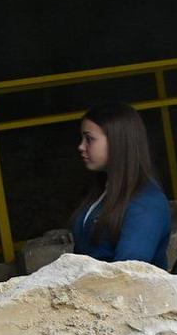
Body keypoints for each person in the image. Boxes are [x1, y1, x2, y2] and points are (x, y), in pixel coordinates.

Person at [71, 102, 169, 267]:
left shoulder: (146, 203)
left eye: (89, 139)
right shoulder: (103, 189)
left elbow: (128, 274)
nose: (81, 147)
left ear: (117, 141)